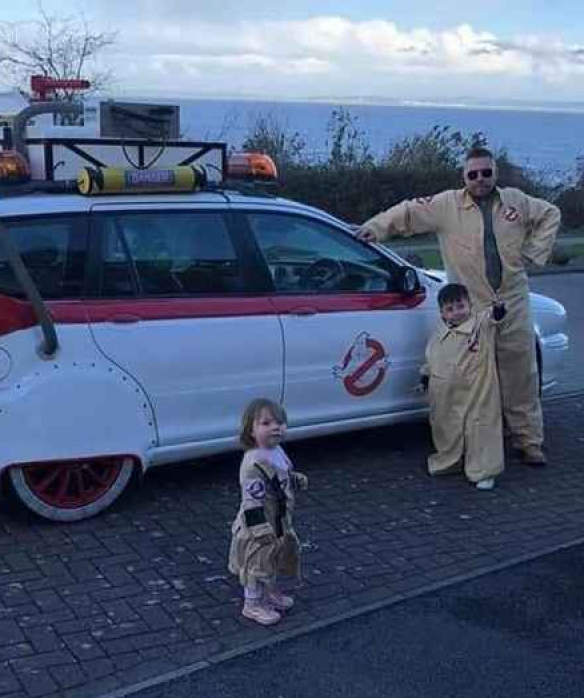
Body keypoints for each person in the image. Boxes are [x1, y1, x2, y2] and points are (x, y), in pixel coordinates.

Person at [357, 146, 561, 466]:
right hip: (472, 306)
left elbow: (550, 213)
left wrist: (534, 252)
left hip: (512, 300)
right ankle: (473, 443)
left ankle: (528, 440)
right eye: (473, 174)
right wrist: (376, 227)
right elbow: (408, 212)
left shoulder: (516, 201)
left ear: (495, 173)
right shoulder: (446, 205)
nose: (480, 179)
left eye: (486, 173)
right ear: (463, 176)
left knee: (520, 375)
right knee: (473, 380)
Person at [228, 398, 308, 626]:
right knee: (257, 563)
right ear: (251, 431)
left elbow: (279, 478)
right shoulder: (253, 463)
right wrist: (260, 530)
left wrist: (294, 480)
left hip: (279, 520)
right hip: (260, 526)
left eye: (280, 422)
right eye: (266, 423)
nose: (276, 427)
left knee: (274, 559)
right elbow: (251, 502)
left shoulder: (277, 452)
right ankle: (252, 604)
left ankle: (269, 593)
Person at [421, 282, 507, 489]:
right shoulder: (440, 333)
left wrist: (499, 309)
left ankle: (484, 471)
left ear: (470, 305)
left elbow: (495, 318)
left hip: (478, 389)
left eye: (461, 306)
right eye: (450, 309)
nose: (457, 313)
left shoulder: (480, 325)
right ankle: (450, 461)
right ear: (442, 313)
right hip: (446, 392)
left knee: (480, 427)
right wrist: (424, 376)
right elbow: (432, 356)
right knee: (446, 427)